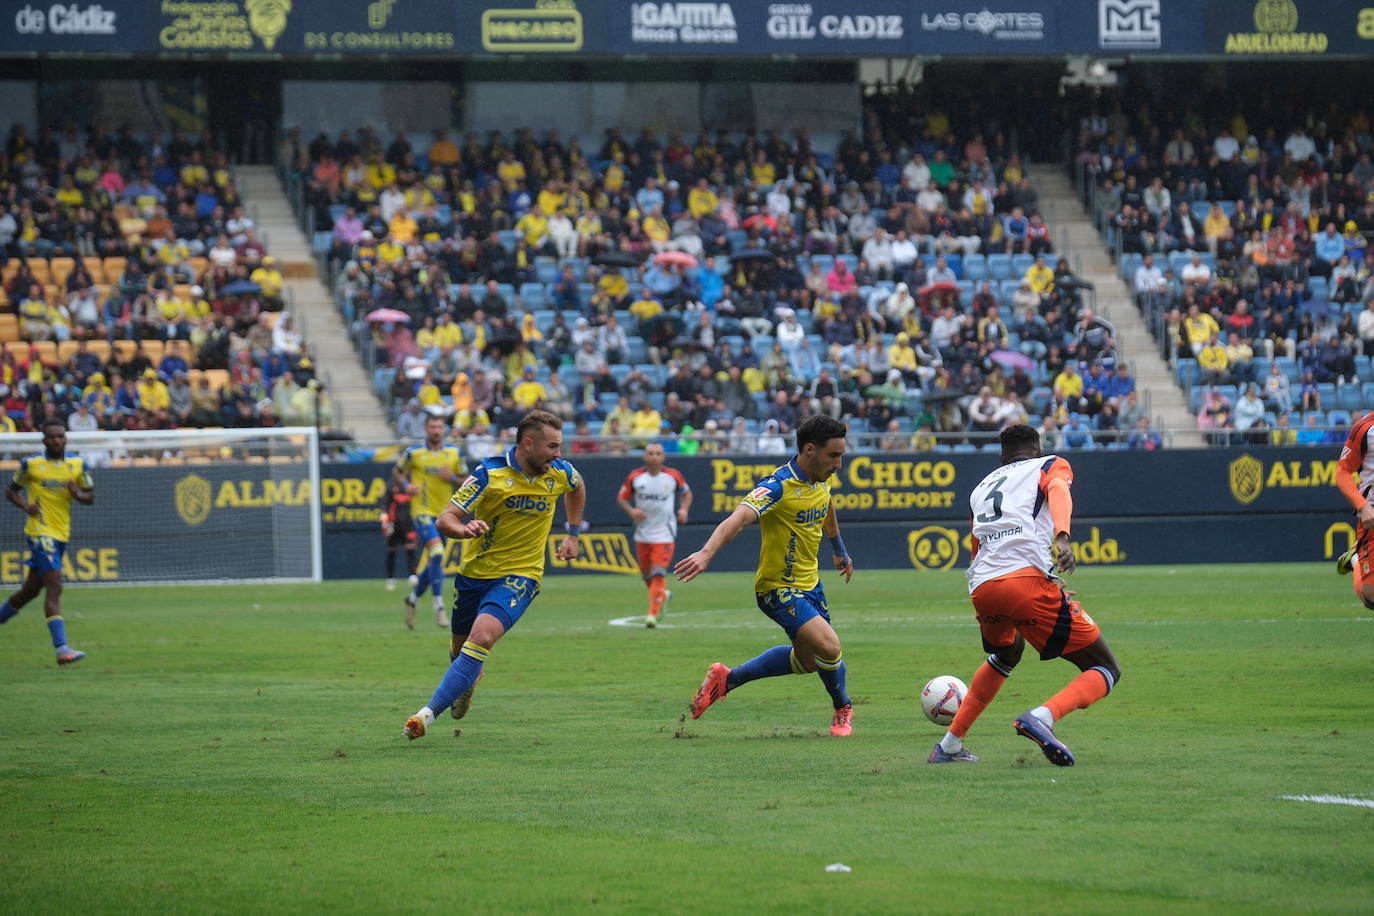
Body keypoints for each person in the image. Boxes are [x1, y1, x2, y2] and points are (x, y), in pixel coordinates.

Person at [929, 424, 1121, 767]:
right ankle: (1042, 718)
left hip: (984, 588)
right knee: (1104, 667)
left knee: (1007, 652)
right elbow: (1059, 489)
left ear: (1003, 456)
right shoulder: (1049, 464)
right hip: (1025, 584)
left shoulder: (980, 488)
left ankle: (949, 746)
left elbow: (978, 549)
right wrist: (1062, 538)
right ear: (1038, 448)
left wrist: (1039, 584)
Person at [403, 410, 585, 739]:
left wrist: (572, 533)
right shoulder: (489, 474)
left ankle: (425, 715)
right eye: (552, 446)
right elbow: (445, 519)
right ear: (528, 444)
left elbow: (577, 487)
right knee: (461, 651)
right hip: (475, 574)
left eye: (560, 446)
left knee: (483, 637)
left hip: (522, 575)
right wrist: (463, 528)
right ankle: (468, 682)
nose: (558, 454)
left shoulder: (559, 472)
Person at [675, 415, 857, 737]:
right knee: (830, 647)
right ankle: (843, 707)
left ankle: (727, 679)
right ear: (810, 450)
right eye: (834, 456)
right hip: (777, 589)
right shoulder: (777, 486)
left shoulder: (821, 478)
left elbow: (826, 504)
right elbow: (738, 518)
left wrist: (839, 547)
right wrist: (706, 553)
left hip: (811, 584)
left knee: (808, 661)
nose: (838, 464)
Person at [0, 422, 95, 665]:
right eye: (51, 437)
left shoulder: (77, 464)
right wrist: (26, 507)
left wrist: (77, 495)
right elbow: (11, 491)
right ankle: (62, 648)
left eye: (60, 437)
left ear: (66, 439)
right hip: (39, 532)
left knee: (30, 591)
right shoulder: (30, 464)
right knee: (55, 584)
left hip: (61, 533)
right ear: (44, 441)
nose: (56, 441)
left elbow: (90, 496)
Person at [394, 414, 467, 629]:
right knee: (436, 554)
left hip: (446, 514)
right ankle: (439, 607)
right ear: (426, 429)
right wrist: (405, 486)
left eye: (439, 426)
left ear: (443, 428)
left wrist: (453, 478)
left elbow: (465, 478)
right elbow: (397, 472)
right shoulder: (413, 453)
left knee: (435, 562)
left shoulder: (455, 452)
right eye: (432, 427)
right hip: (422, 510)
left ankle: (412, 599)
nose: (436, 430)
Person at [617, 442, 691, 628]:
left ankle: (652, 614)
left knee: (658, 572)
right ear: (645, 457)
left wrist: (683, 509)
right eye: (651, 453)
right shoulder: (636, 477)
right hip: (642, 532)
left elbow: (687, 493)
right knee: (646, 575)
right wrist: (631, 511)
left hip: (664, 532)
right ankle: (662, 595)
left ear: (663, 457)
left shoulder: (673, 476)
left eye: (658, 453)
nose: (654, 457)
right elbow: (621, 498)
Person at [1334, 410, 1374, 608]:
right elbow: (1342, 472)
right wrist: (1363, 506)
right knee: (1371, 598)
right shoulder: (1365, 428)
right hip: (1372, 516)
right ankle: (1356, 560)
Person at [380, 478, 418, 593]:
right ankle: (390, 580)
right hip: (393, 525)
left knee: (410, 550)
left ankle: (413, 577)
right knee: (391, 553)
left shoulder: (412, 485)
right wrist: (385, 523)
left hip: (407, 524)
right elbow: (384, 505)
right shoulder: (391, 485)